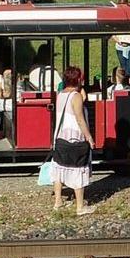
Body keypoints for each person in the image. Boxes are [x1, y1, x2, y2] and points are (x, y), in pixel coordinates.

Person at [50, 66, 96, 215]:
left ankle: (58, 202)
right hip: (75, 137)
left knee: (59, 167)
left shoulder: (61, 94)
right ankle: (80, 207)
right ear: (78, 80)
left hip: (60, 137)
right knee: (78, 170)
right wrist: (89, 137)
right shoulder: (76, 96)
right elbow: (79, 118)